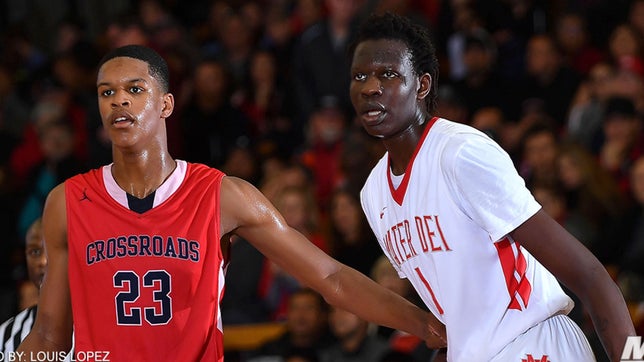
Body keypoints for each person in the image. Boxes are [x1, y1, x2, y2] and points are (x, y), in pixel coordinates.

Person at [16, 44, 445, 361]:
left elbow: (330, 277)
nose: (119, 101)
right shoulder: (68, 201)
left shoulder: (223, 195)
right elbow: (51, 337)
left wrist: (423, 323)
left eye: (134, 89)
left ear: (165, 104)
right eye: (106, 93)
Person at [349, 12, 635, 361]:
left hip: (533, 346)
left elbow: (592, 276)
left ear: (422, 85)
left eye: (388, 74)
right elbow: (457, 317)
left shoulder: (461, 153)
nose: (369, 87)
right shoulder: (373, 193)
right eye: (360, 76)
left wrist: (636, 358)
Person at [0, 218, 46, 353]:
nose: (42, 262)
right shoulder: (5, 337)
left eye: (51, 250)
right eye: (35, 252)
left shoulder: (101, 327)